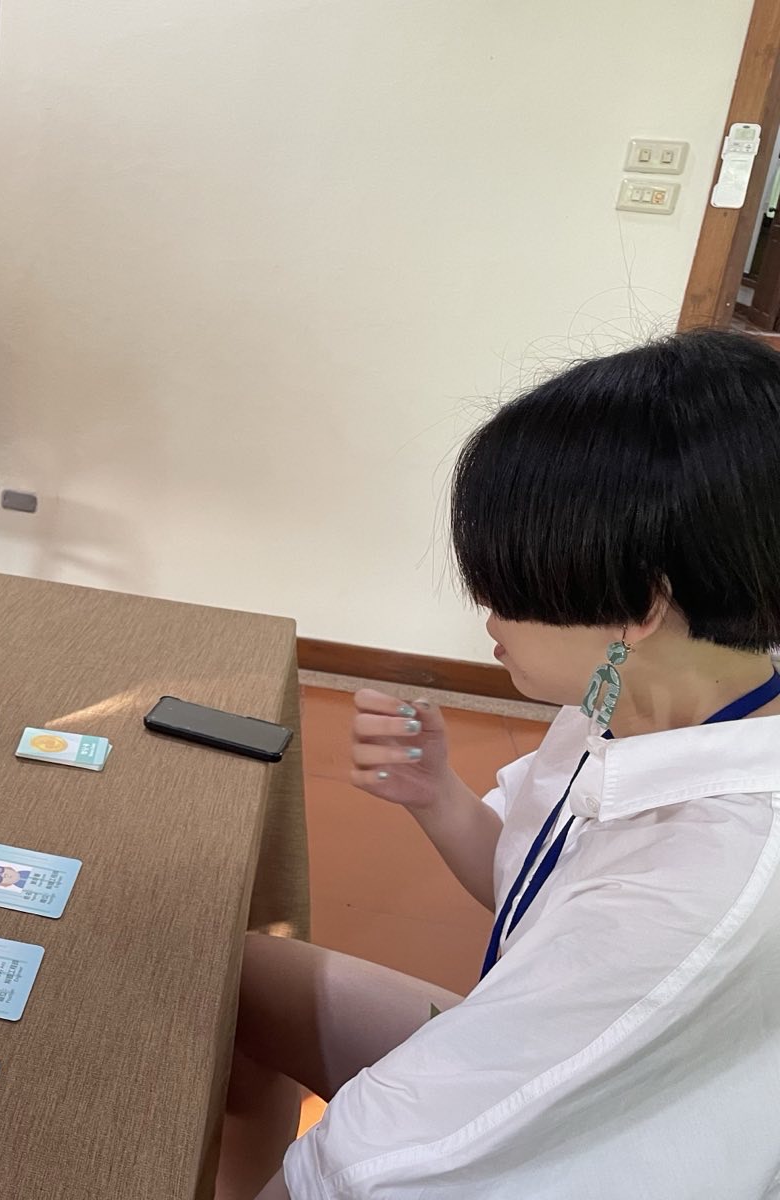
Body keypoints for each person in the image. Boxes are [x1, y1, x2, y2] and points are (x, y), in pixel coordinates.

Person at [225, 330, 780, 1198]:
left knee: (333, 1154)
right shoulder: (629, 703)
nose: (485, 608)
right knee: (230, 972)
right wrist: (435, 793)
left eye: (508, 582)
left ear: (639, 606)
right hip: (532, 1047)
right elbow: (531, 881)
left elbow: (401, 1156)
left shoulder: (708, 877)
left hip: (588, 1139)